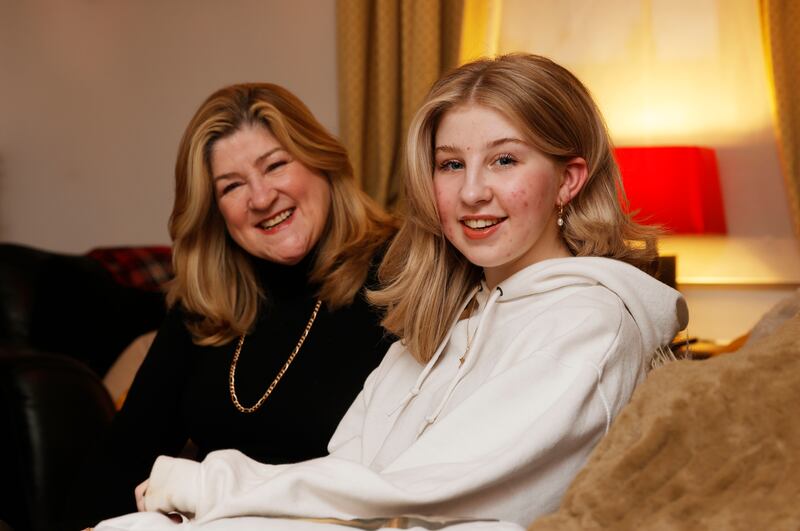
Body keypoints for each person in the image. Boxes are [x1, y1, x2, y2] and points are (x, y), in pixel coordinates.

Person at [94, 54, 688, 531]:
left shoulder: (585, 320)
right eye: (450, 165)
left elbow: (424, 494)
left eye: (504, 159)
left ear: (569, 178)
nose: (473, 191)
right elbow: (354, 470)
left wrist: (209, 483)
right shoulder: (449, 313)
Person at [64, 83, 397, 529]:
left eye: (275, 165)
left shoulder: (401, 271)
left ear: (323, 162)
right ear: (214, 210)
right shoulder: (205, 303)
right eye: (232, 186)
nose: (260, 198)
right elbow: (124, 454)